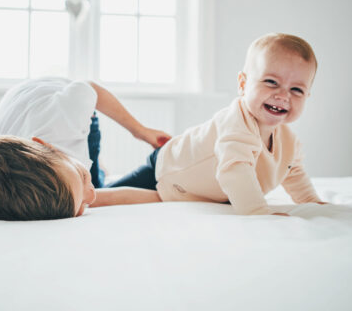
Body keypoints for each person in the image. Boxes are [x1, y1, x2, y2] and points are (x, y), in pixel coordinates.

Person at [107, 33, 325, 215]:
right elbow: (235, 170)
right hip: (168, 167)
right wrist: (257, 211)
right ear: (243, 83)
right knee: (103, 197)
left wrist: (312, 202)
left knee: (141, 199)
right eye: (271, 82)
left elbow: (292, 172)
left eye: (296, 90)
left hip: (195, 191)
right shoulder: (236, 123)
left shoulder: (288, 141)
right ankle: (85, 187)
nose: (283, 95)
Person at [0, 78, 169, 220]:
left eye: (80, 175)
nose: (92, 197)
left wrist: (141, 131)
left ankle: (94, 170)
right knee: (91, 189)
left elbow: (89, 88)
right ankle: (96, 172)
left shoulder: (66, 115)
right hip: (24, 119)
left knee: (95, 183)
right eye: (79, 209)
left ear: (48, 147)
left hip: (58, 98)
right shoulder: (8, 180)